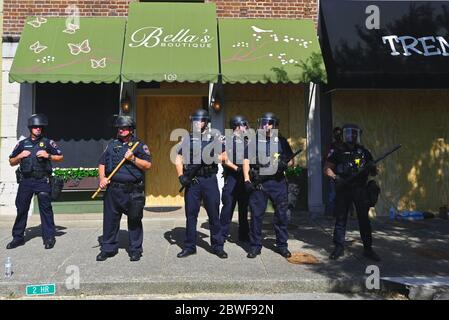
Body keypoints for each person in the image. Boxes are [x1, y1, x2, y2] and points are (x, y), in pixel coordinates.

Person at [96, 115, 152, 262]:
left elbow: (147, 166)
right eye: (119, 128)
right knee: (110, 221)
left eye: (124, 128)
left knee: (134, 220)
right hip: (113, 190)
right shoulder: (111, 144)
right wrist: (102, 178)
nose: (121, 130)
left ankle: (135, 250)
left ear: (131, 129)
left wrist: (133, 158)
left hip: (132, 191)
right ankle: (108, 249)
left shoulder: (139, 145)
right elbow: (102, 163)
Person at [324, 123, 380, 261]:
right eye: (349, 133)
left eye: (354, 133)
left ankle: (368, 249)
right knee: (341, 219)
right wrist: (335, 177)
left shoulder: (364, 152)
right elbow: (327, 168)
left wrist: (372, 167)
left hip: (360, 189)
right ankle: (338, 248)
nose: (352, 135)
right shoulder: (338, 151)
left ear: (358, 135)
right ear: (344, 135)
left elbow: (374, 172)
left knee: (364, 220)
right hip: (344, 188)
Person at [7, 113, 64, 250]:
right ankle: (18, 237)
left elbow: (60, 156)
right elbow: (11, 161)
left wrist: (48, 155)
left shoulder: (48, 143)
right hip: (26, 181)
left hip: (42, 180)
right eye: (35, 127)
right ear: (30, 128)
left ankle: (49, 237)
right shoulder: (22, 144)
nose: (38, 129)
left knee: (46, 209)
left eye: (40, 127)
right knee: (22, 209)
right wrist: (20, 156)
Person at [175, 108, 227, 259]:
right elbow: (178, 158)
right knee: (191, 215)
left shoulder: (214, 139)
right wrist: (180, 176)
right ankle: (189, 246)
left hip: (209, 180)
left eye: (201, 120)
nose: (198, 123)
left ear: (206, 122)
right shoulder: (186, 139)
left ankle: (217, 246)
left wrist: (212, 156)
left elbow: (224, 156)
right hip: (193, 181)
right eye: (196, 120)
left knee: (213, 215)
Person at [243, 112, 294, 259]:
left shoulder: (282, 141)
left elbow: (291, 161)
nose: (266, 126)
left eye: (269, 123)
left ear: (274, 125)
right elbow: (246, 161)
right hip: (259, 183)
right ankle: (255, 246)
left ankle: (282, 246)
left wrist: (284, 164)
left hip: (277, 183)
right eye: (264, 123)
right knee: (256, 216)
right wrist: (247, 180)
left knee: (281, 216)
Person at [220, 115, 250, 243]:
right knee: (228, 206)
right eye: (244, 125)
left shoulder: (247, 140)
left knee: (243, 208)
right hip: (232, 176)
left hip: (244, 177)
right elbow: (224, 159)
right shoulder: (226, 140)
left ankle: (244, 235)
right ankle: (222, 234)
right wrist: (235, 168)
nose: (246, 127)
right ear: (237, 126)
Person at [325, 127, 343, 216]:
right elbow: (328, 158)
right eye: (336, 134)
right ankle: (330, 214)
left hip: (343, 173)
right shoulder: (332, 146)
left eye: (339, 134)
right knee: (332, 195)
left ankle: (348, 213)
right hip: (334, 173)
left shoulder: (345, 146)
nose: (338, 136)